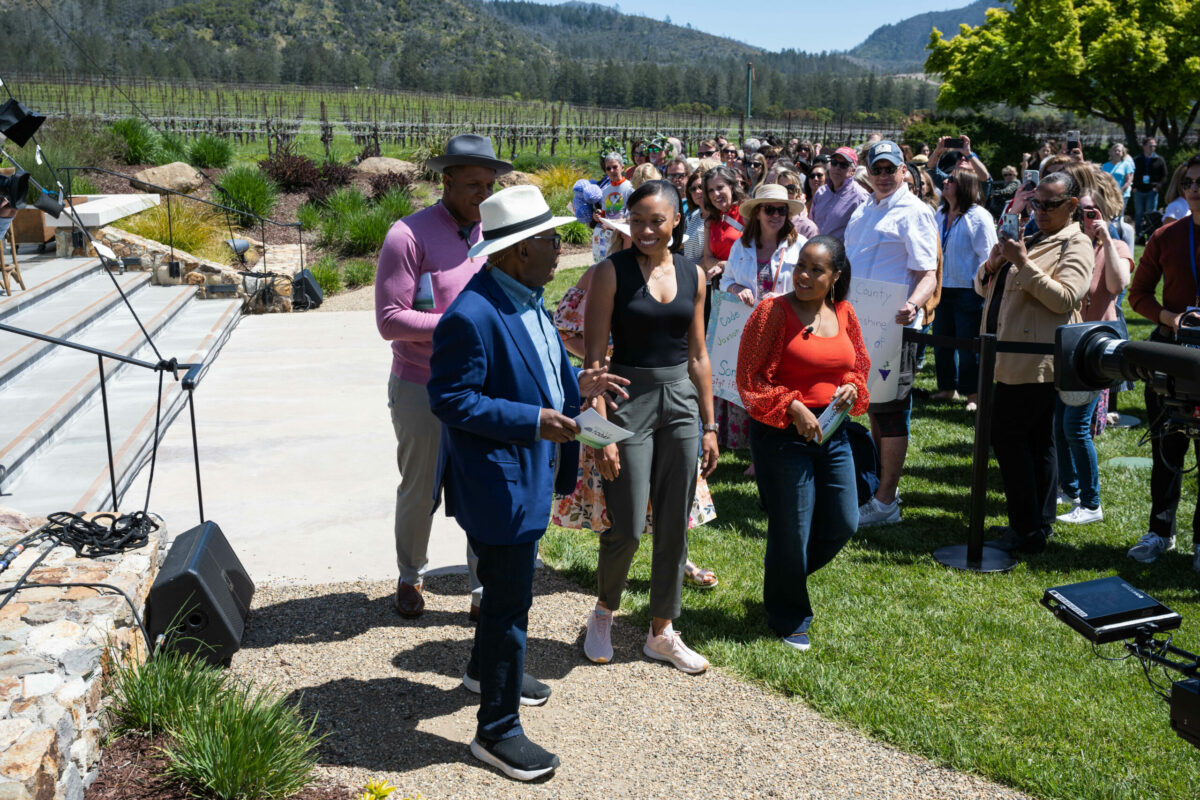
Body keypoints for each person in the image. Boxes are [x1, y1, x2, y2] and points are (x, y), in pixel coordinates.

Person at [428, 185, 628, 781]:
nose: (561, 249)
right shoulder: (471, 315)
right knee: (511, 603)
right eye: (551, 240)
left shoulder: (528, 296)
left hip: (527, 476)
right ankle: (497, 730)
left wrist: (576, 391)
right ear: (517, 252)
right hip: (500, 483)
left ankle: (484, 669)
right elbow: (451, 398)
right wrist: (532, 420)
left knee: (503, 589)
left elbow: (545, 367)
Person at [582, 180, 719, 673]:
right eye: (637, 220)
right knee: (627, 522)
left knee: (674, 525)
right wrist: (599, 435)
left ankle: (662, 630)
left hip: (681, 399)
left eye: (656, 220)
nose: (645, 230)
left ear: (676, 220)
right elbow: (594, 361)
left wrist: (709, 425)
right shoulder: (609, 273)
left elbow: (700, 354)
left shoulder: (694, 274)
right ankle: (603, 611)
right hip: (625, 400)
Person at [375, 133, 508, 621]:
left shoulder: (493, 234)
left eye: (489, 185)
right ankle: (410, 576)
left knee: (481, 485)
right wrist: (460, 328)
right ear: (446, 180)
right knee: (421, 489)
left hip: (482, 385)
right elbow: (390, 319)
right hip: (421, 385)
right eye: (473, 185)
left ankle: (481, 587)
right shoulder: (407, 236)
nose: (483, 195)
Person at [736, 236, 870, 651]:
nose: (805, 276)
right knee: (792, 529)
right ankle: (789, 614)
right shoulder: (771, 311)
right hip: (781, 437)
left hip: (832, 434)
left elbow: (858, 366)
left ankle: (782, 580)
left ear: (835, 277)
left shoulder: (845, 313)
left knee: (845, 521)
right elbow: (749, 378)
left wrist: (850, 387)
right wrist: (791, 405)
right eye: (801, 267)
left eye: (816, 270)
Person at [551, 262, 720, 590]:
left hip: (670, 395)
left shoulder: (678, 273)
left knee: (671, 491)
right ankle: (614, 574)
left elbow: (693, 347)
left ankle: (679, 562)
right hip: (619, 395)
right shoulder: (601, 273)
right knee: (621, 493)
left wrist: (708, 423)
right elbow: (565, 327)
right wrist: (602, 360)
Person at [977, 172, 1093, 555]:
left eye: (1050, 205)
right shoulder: (1034, 236)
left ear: (1072, 206)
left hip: (1036, 360)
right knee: (1036, 441)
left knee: (1010, 439)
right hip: (1007, 355)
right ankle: (1036, 524)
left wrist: (1023, 263)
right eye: (1036, 203)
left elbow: (1066, 299)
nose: (1039, 211)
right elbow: (983, 287)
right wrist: (995, 262)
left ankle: (1025, 527)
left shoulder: (1076, 243)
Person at [843, 140, 939, 526]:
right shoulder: (865, 208)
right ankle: (886, 486)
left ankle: (885, 503)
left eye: (889, 169)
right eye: (876, 169)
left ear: (904, 171)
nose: (882, 176)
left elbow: (927, 272)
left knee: (892, 409)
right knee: (875, 407)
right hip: (860, 322)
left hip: (895, 326)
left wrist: (913, 304)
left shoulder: (914, 212)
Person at [1125, 154, 1200, 569]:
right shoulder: (1168, 236)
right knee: (1167, 447)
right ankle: (1160, 531)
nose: (1194, 190)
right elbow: (1138, 295)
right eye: (1188, 182)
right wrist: (1171, 318)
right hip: (1171, 350)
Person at [1053, 186, 1132, 525]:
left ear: (1105, 212)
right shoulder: (1072, 245)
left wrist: (1106, 236)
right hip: (1069, 342)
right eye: (1081, 211)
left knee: (1076, 426)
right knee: (1059, 423)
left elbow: (1117, 285)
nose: (1087, 218)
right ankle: (1068, 488)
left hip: (1097, 348)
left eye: (1092, 211)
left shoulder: (1117, 246)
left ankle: (1091, 503)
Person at [933, 168, 997, 410]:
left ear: (966, 186)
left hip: (969, 290)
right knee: (942, 342)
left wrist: (979, 285)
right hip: (941, 288)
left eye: (951, 179)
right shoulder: (939, 213)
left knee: (969, 346)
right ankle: (947, 389)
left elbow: (988, 255)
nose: (945, 181)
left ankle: (973, 394)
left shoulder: (978, 216)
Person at [723, 183, 806, 307]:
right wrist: (737, 289)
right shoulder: (740, 245)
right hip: (748, 321)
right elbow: (725, 281)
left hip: (788, 320)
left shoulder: (801, 245)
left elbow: (811, 286)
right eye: (769, 209)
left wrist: (785, 299)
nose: (776, 215)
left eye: (782, 210)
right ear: (757, 214)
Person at [810, 146, 868, 243]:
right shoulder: (821, 192)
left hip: (841, 255)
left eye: (843, 165)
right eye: (834, 163)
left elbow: (863, 234)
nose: (837, 168)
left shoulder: (860, 197)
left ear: (853, 171)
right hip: (816, 251)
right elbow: (811, 224)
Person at [593, 150, 633, 262]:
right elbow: (606, 213)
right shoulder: (606, 191)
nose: (612, 171)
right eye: (608, 168)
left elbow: (630, 216)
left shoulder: (629, 188)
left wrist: (616, 224)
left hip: (623, 236)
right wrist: (599, 215)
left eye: (615, 167)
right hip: (607, 235)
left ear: (622, 167)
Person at [1132, 137, 1167, 242]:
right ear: (1144, 146)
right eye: (1150, 146)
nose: (1153, 148)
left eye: (1154, 146)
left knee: (1151, 216)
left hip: (1151, 191)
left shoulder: (1159, 160)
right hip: (1138, 191)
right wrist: (1133, 187)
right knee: (1139, 215)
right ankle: (1139, 237)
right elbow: (1130, 174)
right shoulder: (1136, 160)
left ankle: (1151, 238)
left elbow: (1164, 175)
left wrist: (1157, 187)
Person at [774, 169, 819, 238]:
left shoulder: (807, 228)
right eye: (780, 188)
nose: (784, 193)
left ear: (798, 194)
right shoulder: (768, 223)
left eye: (790, 189)